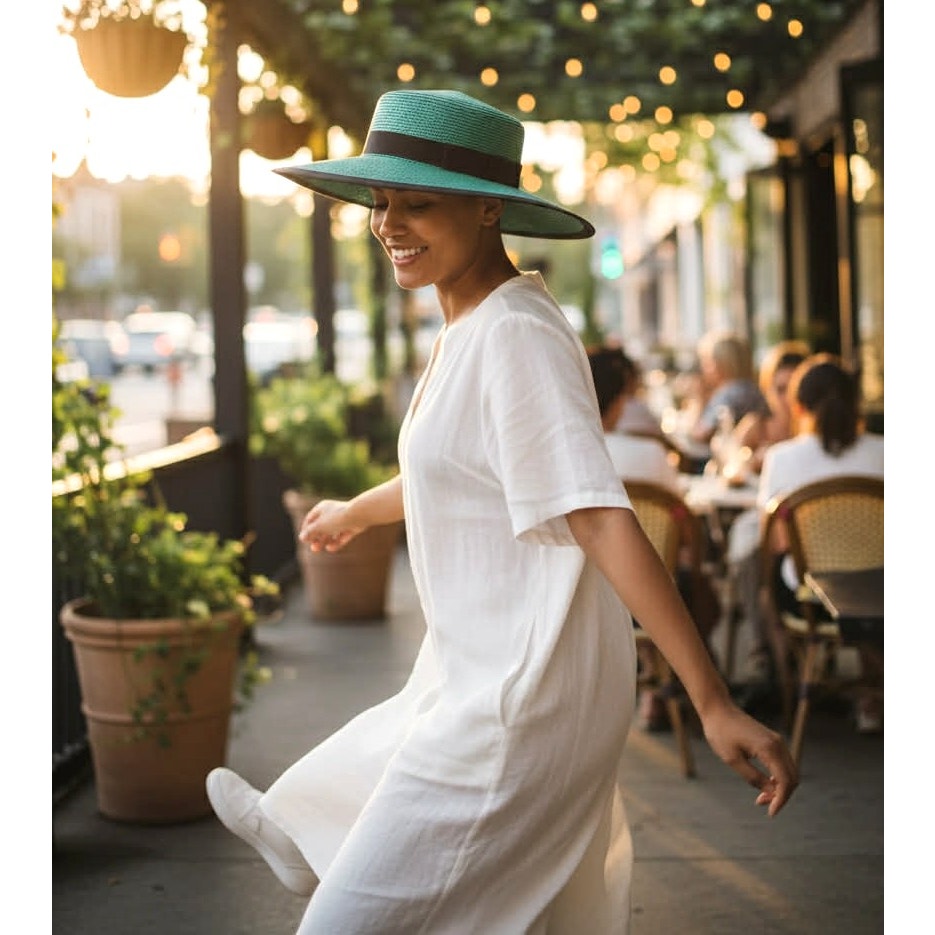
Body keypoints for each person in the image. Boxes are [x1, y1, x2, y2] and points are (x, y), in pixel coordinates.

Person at [205, 89, 798, 934]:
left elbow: (597, 514)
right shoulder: (468, 325)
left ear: (489, 208)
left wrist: (710, 700)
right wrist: (360, 511)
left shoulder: (514, 333)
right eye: (381, 202)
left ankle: (316, 844)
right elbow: (459, 471)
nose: (389, 223)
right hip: (477, 667)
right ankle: (308, 829)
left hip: (524, 688)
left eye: (417, 201)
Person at [757, 353, 884, 732]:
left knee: (767, 589)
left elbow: (778, 543)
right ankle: (872, 692)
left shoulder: (782, 459)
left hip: (812, 599)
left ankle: (790, 692)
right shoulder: (887, 451)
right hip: (881, 591)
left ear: (796, 406)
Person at [732, 340, 810, 475]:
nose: (788, 398)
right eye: (781, 389)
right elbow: (731, 464)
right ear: (767, 390)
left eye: (795, 389)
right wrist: (752, 461)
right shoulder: (756, 425)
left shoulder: (816, 429)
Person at [687, 329, 770, 446]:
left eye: (708, 362)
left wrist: (697, 398)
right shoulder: (752, 389)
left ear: (722, 364)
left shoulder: (729, 394)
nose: (704, 368)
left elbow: (699, 434)